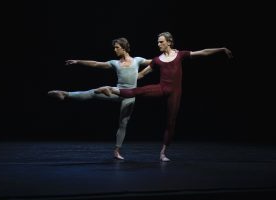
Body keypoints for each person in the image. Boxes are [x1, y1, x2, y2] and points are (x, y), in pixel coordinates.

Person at [96, 32, 233, 161]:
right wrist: (128, 76)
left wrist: (221, 49)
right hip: (161, 88)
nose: (158, 44)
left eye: (161, 42)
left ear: (169, 42)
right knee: (139, 90)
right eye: (158, 42)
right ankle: (112, 89)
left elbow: (202, 53)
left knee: (171, 121)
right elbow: (142, 73)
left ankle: (163, 152)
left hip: (175, 93)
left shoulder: (180, 55)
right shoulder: (157, 60)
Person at [48, 38, 151, 160]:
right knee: (92, 93)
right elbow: (96, 63)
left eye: (117, 47)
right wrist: (78, 61)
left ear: (124, 47)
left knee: (123, 123)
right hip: (117, 92)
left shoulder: (137, 60)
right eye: (114, 47)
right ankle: (65, 94)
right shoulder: (115, 63)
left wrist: (170, 54)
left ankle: (117, 151)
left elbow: (155, 62)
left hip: (130, 96)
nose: (115, 50)